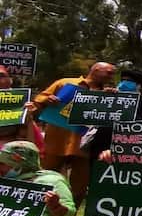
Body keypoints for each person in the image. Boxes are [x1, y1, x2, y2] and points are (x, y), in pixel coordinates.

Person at [29, 60, 115, 201]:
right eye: (109, 72)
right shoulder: (65, 83)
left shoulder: (106, 93)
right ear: (96, 70)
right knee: (44, 178)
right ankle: (36, 210)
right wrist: (48, 99)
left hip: (84, 145)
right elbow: (38, 100)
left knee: (80, 186)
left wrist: (113, 98)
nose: (111, 76)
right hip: (57, 140)